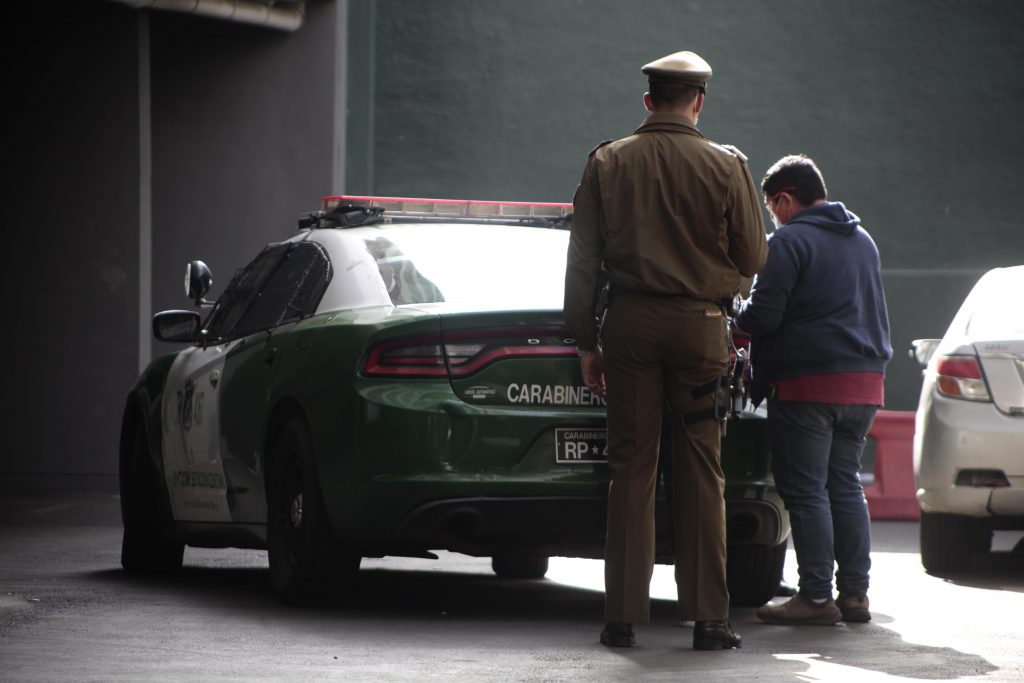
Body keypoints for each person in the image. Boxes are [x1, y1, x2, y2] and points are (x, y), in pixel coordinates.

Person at [564, 50, 768, 650]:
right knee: (703, 468)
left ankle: (621, 618)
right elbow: (753, 258)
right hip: (701, 327)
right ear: (699, 101)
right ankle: (708, 618)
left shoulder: (608, 161)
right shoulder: (727, 166)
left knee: (631, 466)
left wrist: (584, 340)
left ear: (648, 101)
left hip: (627, 325)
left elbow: (583, 260)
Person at [735, 155, 893, 625]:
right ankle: (855, 595)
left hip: (808, 384)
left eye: (770, 206)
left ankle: (816, 597)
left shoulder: (788, 241)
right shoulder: (863, 240)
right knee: (844, 486)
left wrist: (733, 318)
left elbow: (764, 316)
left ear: (784, 199)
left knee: (805, 492)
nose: (771, 215)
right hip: (864, 385)